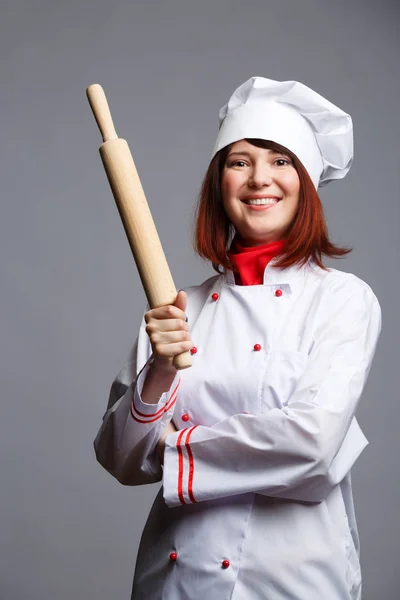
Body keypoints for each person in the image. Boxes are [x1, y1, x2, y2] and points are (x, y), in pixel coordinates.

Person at [94, 77, 382, 600]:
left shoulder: (342, 299)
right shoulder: (177, 309)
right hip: (175, 579)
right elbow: (119, 459)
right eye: (240, 161)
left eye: (280, 161)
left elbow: (310, 445)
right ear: (219, 183)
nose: (259, 180)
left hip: (293, 579)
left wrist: (172, 448)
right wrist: (158, 370)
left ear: (306, 183)